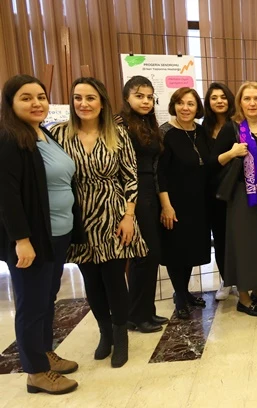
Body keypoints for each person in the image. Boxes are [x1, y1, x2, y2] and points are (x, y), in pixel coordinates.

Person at [52, 77, 147, 368]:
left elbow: (130, 178)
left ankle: (120, 335)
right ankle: (105, 333)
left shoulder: (117, 134)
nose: (84, 103)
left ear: (102, 102)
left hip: (113, 214)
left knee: (114, 279)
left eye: (90, 98)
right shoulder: (58, 134)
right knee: (91, 280)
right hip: (78, 216)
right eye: (78, 98)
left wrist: (129, 216)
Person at [0, 75, 79, 394]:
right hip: (31, 239)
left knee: (47, 298)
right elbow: (7, 196)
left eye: (41, 97)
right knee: (32, 304)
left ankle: (45, 353)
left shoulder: (42, 133)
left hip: (56, 234)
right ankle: (35, 371)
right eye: (26, 97)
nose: (36, 103)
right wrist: (21, 240)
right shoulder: (8, 138)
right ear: (10, 103)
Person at [211, 81, 257, 317]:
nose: (252, 103)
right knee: (243, 245)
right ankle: (243, 297)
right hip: (242, 196)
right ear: (240, 103)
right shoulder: (231, 129)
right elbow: (213, 162)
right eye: (247, 99)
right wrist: (232, 153)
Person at [117, 76, 168, 334]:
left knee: (150, 255)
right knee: (144, 255)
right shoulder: (119, 125)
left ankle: (144, 311)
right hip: (133, 193)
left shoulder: (148, 123)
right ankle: (137, 315)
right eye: (139, 96)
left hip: (149, 190)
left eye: (149, 97)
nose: (146, 101)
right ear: (127, 98)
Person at [158, 87, 211, 320]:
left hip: (199, 203)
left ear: (197, 107)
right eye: (180, 103)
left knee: (190, 249)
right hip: (174, 202)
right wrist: (166, 206)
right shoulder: (165, 133)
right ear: (174, 106)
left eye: (190, 103)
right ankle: (179, 295)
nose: (185, 108)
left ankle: (185, 292)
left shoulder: (201, 131)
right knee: (176, 250)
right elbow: (160, 173)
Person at [202, 82, 238, 301]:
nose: (219, 101)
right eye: (214, 97)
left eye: (223, 97)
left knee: (238, 236)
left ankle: (242, 279)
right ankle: (226, 279)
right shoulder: (202, 129)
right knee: (220, 236)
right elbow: (206, 164)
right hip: (212, 191)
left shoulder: (238, 126)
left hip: (236, 189)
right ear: (208, 102)